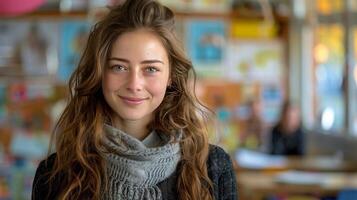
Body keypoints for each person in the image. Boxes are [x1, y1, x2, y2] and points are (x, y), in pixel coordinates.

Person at [31, 1, 238, 200]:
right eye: (119, 67)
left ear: (171, 76)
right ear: (100, 72)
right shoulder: (54, 175)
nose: (134, 84)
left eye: (150, 69)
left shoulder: (213, 167)